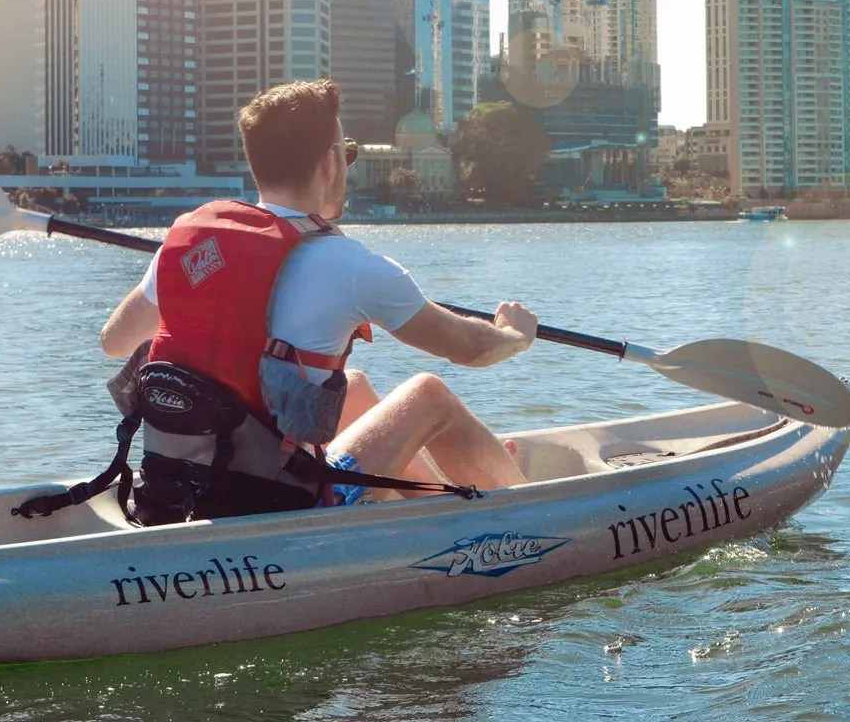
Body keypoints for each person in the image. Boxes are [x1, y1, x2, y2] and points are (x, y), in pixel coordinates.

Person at [97, 78, 536, 518]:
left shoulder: (187, 241)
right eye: (345, 154)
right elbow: (472, 348)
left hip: (176, 488)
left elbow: (114, 341)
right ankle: (535, 516)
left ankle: (449, 501)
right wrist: (514, 334)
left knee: (356, 388)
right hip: (275, 505)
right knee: (429, 395)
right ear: (329, 163)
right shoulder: (351, 265)